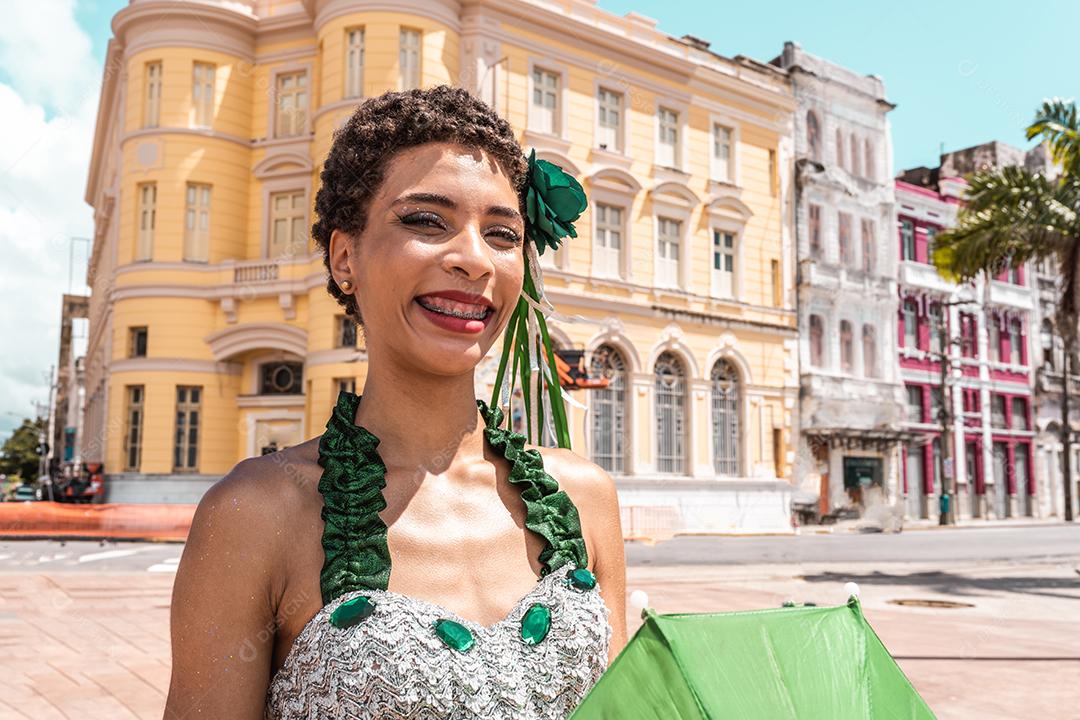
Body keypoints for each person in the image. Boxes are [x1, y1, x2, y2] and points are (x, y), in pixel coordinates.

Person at [164, 85, 628, 719]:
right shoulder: (255, 513)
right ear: (345, 257)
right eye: (426, 221)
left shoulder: (584, 496)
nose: (474, 259)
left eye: (501, 234)